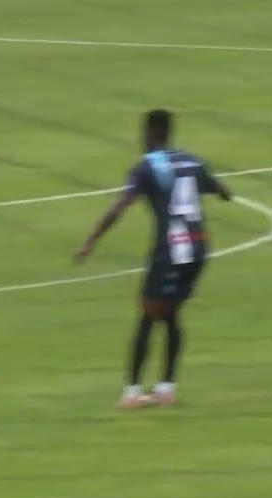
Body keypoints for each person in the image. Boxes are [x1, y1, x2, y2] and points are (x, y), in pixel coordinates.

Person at [74, 109, 233, 409]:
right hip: (199, 248)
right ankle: (166, 389)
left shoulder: (148, 166)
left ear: (148, 134)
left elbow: (119, 208)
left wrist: (91, 239)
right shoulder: (192, 161)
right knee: (170, 314)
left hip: (172, 248)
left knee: (148, 315)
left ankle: (132, 393)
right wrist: (221, 194)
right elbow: (223, 190)